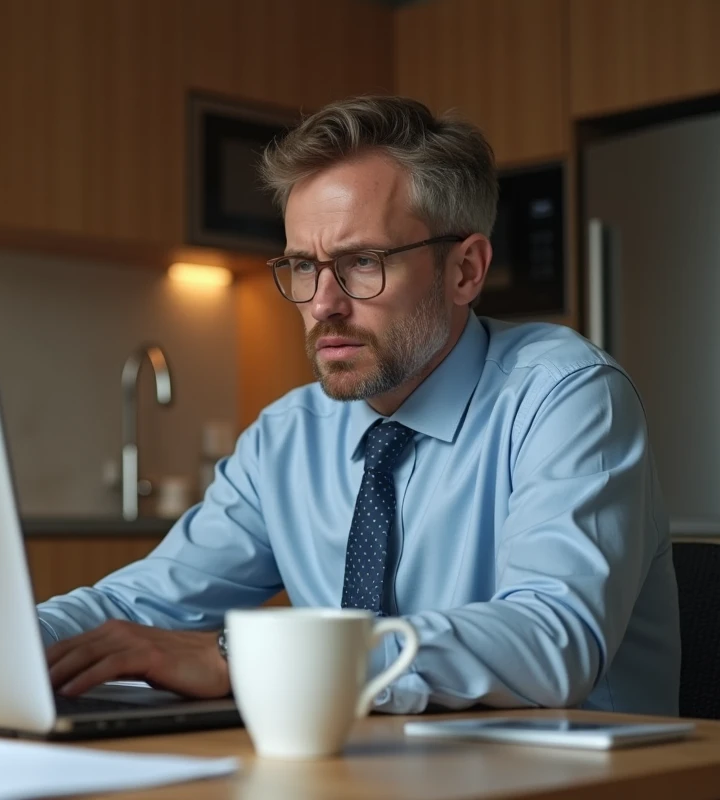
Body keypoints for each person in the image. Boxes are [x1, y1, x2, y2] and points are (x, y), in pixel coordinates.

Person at [37, 96, 681, 715]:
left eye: (362, 263)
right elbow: (142, 605)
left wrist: (255, 660)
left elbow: (552, 640)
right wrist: (7, 644)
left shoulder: (563, 396)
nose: (322, 305)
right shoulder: (287, 438)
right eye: (302, 266)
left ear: (465, 271)